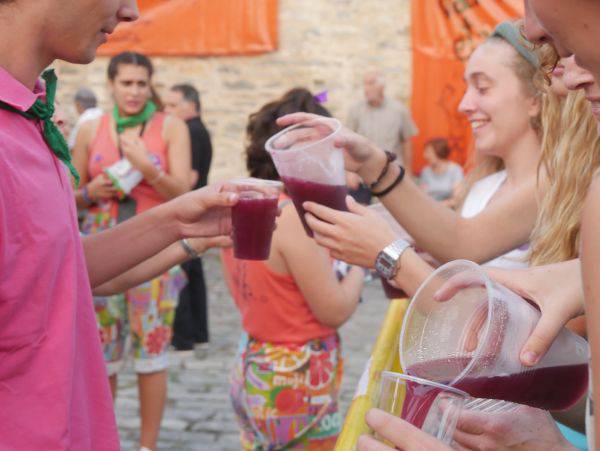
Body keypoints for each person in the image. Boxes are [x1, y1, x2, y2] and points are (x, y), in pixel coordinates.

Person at [0, 1, 240, 450]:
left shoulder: (29, 116)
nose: (131, 11)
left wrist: (180, 220)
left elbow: (58, 267)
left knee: (150, 357)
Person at [221, 88, 365, 450]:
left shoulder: (244, 204)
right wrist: (362, 265)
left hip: (255, 361)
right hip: (295, 375)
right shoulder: (291, 218)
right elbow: (333, 310)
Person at [71, 51, 193, 450]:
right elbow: (68, 196)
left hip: (153, 253)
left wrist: (149, 168)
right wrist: (91, 191)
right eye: (126, 83)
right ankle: (102, 440)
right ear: (112, 84)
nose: (135, 91)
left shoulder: (170, 127)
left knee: (151, 353)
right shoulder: (93, 129)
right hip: (100, 252)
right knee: (101, 355)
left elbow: (185, 194)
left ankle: (146, 445)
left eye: (142, 83)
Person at [164, 83, 213, 353]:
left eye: (173, 105)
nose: (167, 111)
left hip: (189, 211)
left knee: (181, 271)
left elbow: (189, 177)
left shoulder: (190, 132)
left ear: (191, 106)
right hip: (197, 212)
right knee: (193, 273)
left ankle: (183, 336)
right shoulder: (198, 129)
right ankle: (197, 333)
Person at [347, 72, 418, 175]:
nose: (366, 88)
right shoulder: (355, 110)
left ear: (382, 86)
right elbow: (349, 141)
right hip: (364, 173)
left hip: (393, 172)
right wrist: (350, 172)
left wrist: (408, 171)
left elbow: (406, 141)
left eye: (371, 83)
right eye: (365, 84)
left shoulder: (399, 110)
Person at [418, 137, 463, 205]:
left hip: (448, 209)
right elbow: (422, 196)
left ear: (439, 151)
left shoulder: (455, 170)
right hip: (428, 207)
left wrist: (439, 205)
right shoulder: (426, 171)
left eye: (428, 152)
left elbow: (457, 198)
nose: (425, 155)